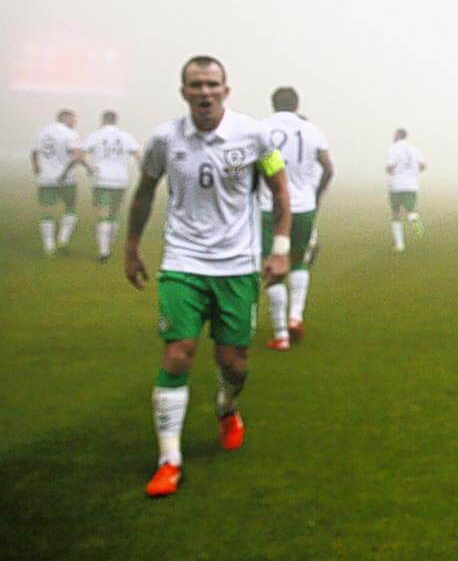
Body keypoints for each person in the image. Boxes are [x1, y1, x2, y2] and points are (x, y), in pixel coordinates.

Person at [125, 56, 291, 498]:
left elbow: (279, 190)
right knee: (178, 353)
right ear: (184, 92)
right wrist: (131, 246)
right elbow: (144, 192)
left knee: (233, 363)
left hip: (237, 267)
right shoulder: (164, 138)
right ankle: (169, 461)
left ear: (225, 90)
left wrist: (279, 250)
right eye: (196, 85)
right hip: (183, 262)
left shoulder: (254, 135)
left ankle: (226, 406)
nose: (205, 92)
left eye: (212, 84)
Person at [259, 89, 334, 350]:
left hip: (270, 207)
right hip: (303, 206)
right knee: (299, 261)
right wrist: (316, 195)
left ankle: (281, 335)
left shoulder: (262, 130)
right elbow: (329, 168)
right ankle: (295, 317)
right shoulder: (311, 130)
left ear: (273, 104)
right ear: (296, 104)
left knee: (272, 267)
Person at [82, 110, 141, 262]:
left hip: (101, 178)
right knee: (114, 213)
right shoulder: (125, 136)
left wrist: (89, 167)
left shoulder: (96, 135)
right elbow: (138, 156)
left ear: (102, 120)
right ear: (116, 120)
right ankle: (109, 244)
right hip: (120, 179)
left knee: (103, 214)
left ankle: (104, 251)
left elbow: (80, 154)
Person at [31, 109, 85, 255]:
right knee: (70, 207)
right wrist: (88, 167)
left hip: (46, 177)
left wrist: (36, 166)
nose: (75, 122)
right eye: (73, 119)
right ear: (65, 119)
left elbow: (34, 152)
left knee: (47, 211)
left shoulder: (43, 131)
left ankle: (49, 247)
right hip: (67, 179)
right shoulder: (70, 134)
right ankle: (62, 240)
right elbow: (78, 156)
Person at [386, 128, 426, 252]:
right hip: (411, 185)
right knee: (410, 210)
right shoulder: (414, 149)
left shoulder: (393, 149)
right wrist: (413, 173)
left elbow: (390, 167)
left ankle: (400, 245)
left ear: (398, 135)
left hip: (397, 185)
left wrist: (390, 171)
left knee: (395, 212)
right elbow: (423, 166)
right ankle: (416, 222)